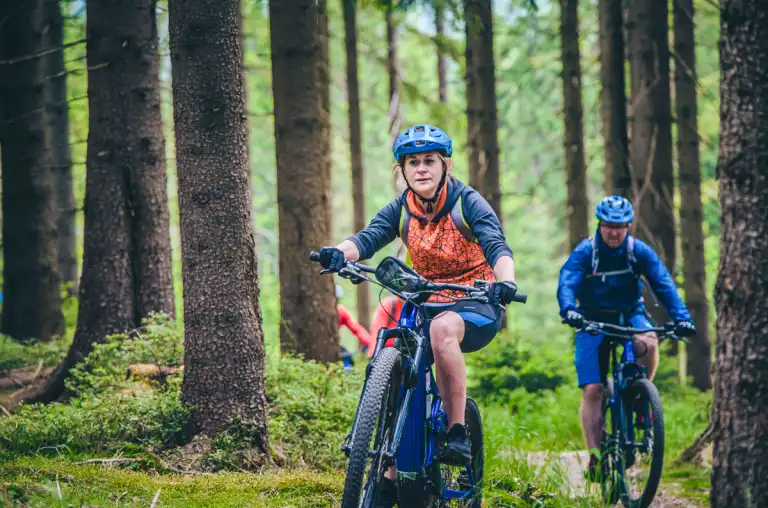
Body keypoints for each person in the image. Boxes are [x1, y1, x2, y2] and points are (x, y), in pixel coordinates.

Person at [317, 124, 519, 506]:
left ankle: (457, 432)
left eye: (429, 161)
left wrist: (504, 281)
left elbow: (497, 246)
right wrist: (338, 252)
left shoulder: (467, 202)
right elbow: (368, 238)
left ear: (445, 165)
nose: (421, 168)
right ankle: (388, 467)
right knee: (391, 346)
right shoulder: (402, 208)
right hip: (424, 298)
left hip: (474, 300)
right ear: (402, 169)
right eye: (413, 162)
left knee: (442, 330)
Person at [557, 195, 697, 479]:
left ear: (629, 226)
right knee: (593, 389)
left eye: (619, 226)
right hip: (591, 318)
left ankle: (641, 398)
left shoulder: (638, 252)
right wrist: (568, 309)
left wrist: (682, 317)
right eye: (608, 225)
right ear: (600, 224)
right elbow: (567, 280)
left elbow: (663, 283)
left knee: (647, 342)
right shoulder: (587, 252)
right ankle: (595, 456)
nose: (613, 232)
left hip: (628, 313)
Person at [335, 284, 373, 370]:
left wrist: (370, 344)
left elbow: (356, 329)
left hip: (336, 346)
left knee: (348, 361)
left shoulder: (341, 311)